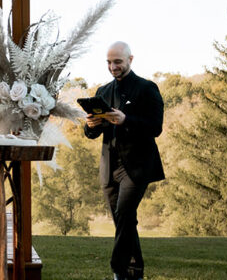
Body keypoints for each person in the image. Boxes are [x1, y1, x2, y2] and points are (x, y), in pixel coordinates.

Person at [83, 42, 164, 280]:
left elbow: (155, 127)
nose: (112, 66)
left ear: (130, 59)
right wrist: (89, 126)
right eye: (109, 62)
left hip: (137, 166)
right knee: (123, 221)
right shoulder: (103, 91)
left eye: (117, 61)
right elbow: (92, 134)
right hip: (109, 166)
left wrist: (126, 119)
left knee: (125, 214)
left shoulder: (147, 88)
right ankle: (134, 272)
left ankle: (118, 269)